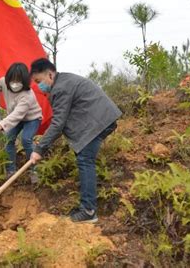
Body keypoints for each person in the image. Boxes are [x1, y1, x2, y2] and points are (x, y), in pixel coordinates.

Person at [29, 58, 122, 223]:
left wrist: (39, 149)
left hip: (99, 119)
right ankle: (87, 208)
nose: (38, 86)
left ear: (50, 74)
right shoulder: (63, 81)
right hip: (99, 118)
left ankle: (88, 211)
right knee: (83, 155)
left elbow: (58, 123)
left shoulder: (61, 88)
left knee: (85, 159)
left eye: (39, 81)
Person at [0, 62, 42, 183]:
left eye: (18, 81)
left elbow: (17, 115)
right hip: (15, 118)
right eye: (12, 80)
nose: (14, 84)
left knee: (26, 139)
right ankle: (11, 171)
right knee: (8, 139)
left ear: (25, 81)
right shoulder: (4, 82)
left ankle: (34, 170)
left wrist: (0, 125)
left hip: (32, 118)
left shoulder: (27, 95)